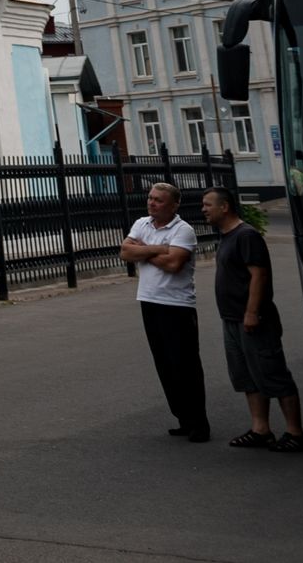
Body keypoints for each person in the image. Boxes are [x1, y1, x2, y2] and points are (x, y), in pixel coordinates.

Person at [200, 187, 303, 453]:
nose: (203, 209)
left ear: (224, 207)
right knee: (247, 376)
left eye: (207, 205)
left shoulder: (246, 236)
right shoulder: (226, 236)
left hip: (254, 319)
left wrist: (251, 312)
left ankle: (295, 433)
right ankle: (261, 429)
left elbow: (258, 275)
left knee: (273, 373)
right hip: (232, 319)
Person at [121, 180, 210, 442]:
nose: (151, 203)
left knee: (185, 364)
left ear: (173, 204)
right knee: (164, 363)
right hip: (149, 301)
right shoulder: (141, 223)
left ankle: (198, 422)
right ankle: (182, 417)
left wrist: (144, 251)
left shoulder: (183, 230)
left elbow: (173, 264)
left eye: (158, 200)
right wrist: (159, 248)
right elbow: (125, 252)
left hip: (177, 305)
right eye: (150, 198)